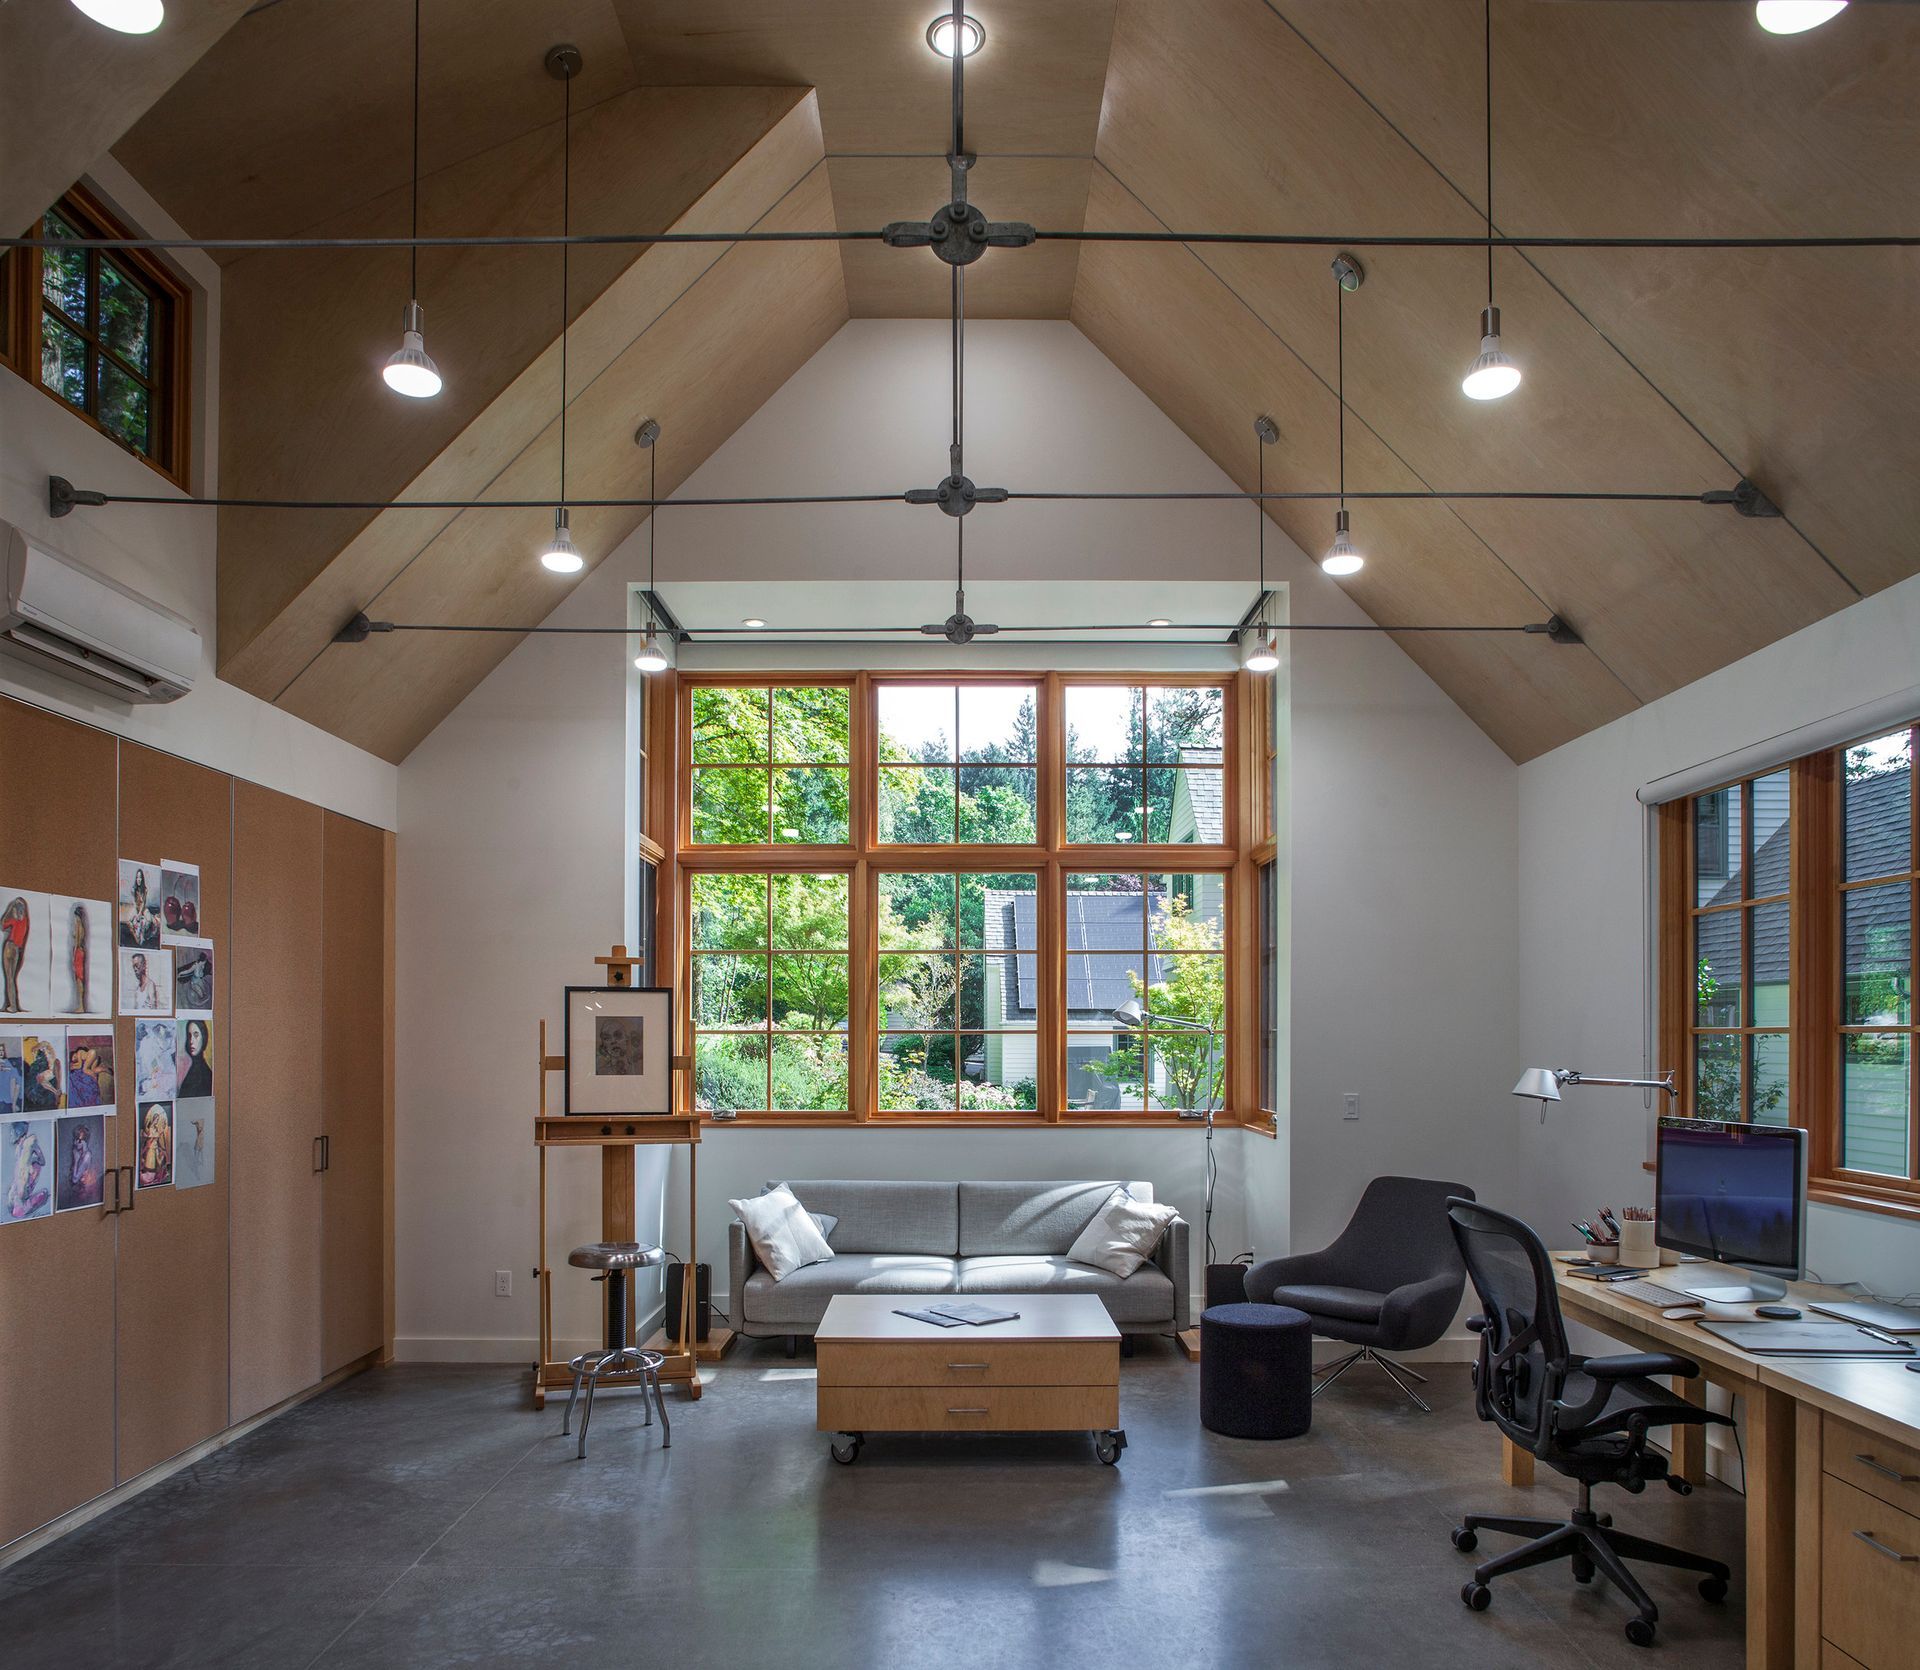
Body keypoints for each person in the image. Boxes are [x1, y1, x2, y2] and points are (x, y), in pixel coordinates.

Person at [9, 1121, 49, 1219]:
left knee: (17, 1211)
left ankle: (41, 1195)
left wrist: (32, 1161)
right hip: (19, 1179)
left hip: (25, 1178)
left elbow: (42, 1161)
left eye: (12, 1131)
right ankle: (39, 1196)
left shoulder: (30, 1142)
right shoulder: (19, 1146)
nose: (10, 1133)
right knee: (12, 1204)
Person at [1, 895, 28, 1014]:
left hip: (9, 946)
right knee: (12, 978)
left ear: (15, 909)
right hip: (16, 949)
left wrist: (9, 910)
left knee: (9, 978)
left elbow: (2, 925)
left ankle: (12, 1006)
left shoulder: (14, 920)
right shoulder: (25, 921)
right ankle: (13, 1004)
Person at [139, 1103, 171, 1188]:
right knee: (151, 1163)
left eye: (157, 1120)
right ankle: (151, 1176)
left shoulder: (156, 1129)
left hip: (155, 1147)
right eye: (156, 1119)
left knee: (160, 1159)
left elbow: (159, 1135)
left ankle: (160, 1173)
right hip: (151, 1148)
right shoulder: (150, 1129)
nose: (156, 1122)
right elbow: (148, 1136)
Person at [178, 1020, 213, 1098]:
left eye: (196, 1035)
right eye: (189, 1036)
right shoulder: (191, 1069)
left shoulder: (205, 1075)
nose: (191, 1041)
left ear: (203, 1037)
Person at [23, 1040, 60, 1111]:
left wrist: (34, 1050)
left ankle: (55, 1092)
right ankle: (55, 1091)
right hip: (48, 1070)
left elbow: (36, 1048)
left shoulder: (47, 1048)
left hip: (51, 1070)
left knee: (40, 1078)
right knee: (40, 1079)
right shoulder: (44, 1052)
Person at [67, 901, 90, 1015]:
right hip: (79, 952)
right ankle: (80, 1005)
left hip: (78, 952)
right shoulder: (81, 925)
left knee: (79, 979)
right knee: (79, 980)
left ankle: (81, 1006)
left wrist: (74, 952)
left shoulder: (78, 925)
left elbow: (77, 940)